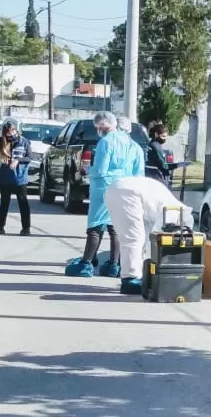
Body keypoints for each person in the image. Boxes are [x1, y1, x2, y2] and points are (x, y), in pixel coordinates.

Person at [65, 111, 144, 278]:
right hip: (124, 189)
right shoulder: (134, 146)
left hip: (104, 188)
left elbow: (100, 169)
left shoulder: (106, 142)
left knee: (95, 226)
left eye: (97, 127)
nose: (97, 130)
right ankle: (114, 264)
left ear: (103, 125)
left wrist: (88, 170)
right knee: (115, 227)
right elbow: (139, 174)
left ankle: (86, 263)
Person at [104, 175, 195, 295]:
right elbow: (157, 238)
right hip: (129, 193)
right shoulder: (175, 212)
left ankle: (135, 274)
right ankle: (130, 279)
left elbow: (149, 235)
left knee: (135, 237)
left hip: (116, 190)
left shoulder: (168, 202)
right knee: (134, 238)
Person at [0, 118, 32, 235]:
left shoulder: (24, 142)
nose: (12, 133)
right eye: (9, 132)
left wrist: (17, 160)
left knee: (23, 203)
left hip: (20, 178)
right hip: (6, 178)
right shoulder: (2, 141)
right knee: (4, 204)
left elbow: (29, 157)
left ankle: (26, 228)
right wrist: (2, 148)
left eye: (13, 131)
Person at [145, 121, 178, 187]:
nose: (165, 139)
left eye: (166, 136)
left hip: (153, 176)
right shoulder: (155, 146)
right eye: (163, 136)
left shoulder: (153, 144)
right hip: (158, 178)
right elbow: (162, 164)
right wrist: (175, 165)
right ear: (156, 134)